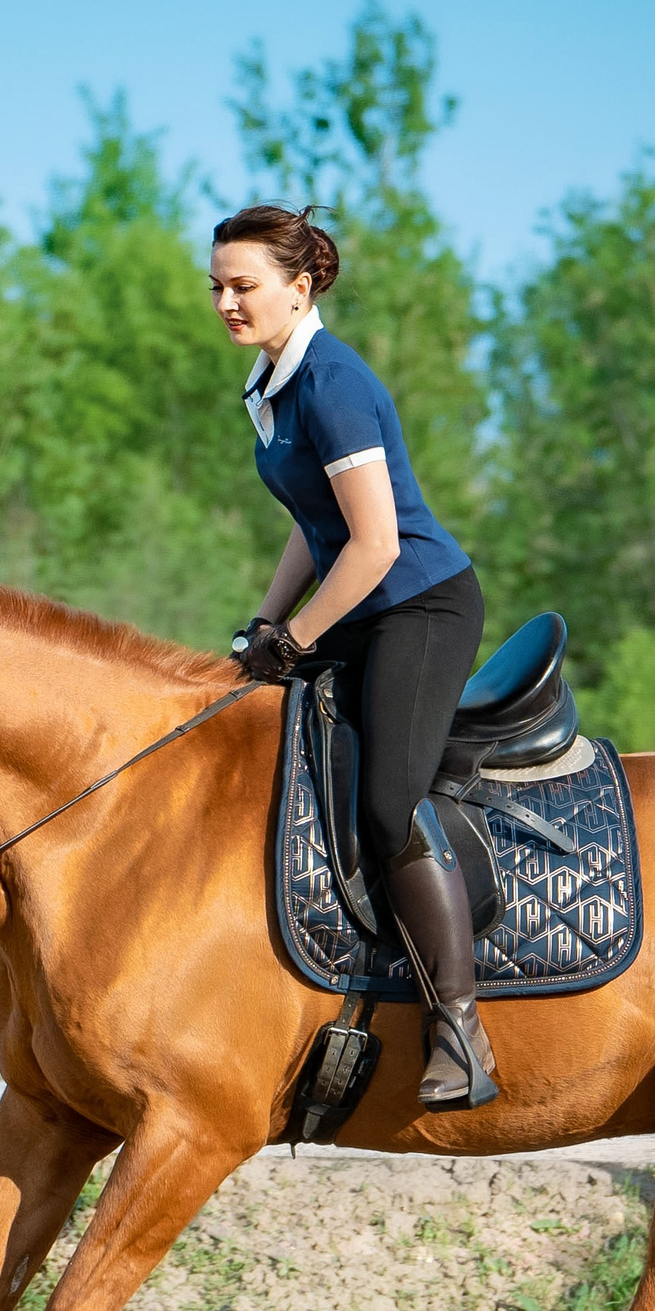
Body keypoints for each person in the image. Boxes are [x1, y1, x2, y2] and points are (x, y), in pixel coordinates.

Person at [212, 204, 495, 1111]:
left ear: (300, 288)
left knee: (385, 804)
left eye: (243, 286)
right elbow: (315, 524)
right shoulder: (271, 385)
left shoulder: (331, 383)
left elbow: (373, 545)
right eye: (216, 286)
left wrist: (297, 639)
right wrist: (263, 621)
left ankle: (461, 1026)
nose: (225, 301)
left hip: (417, 605)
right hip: (356, 605)